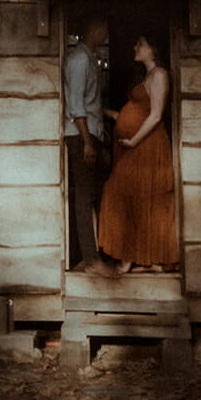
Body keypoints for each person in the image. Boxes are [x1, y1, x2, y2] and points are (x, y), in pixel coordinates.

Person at [98, 33, 178, 274]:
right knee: (137, 197)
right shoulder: (148, 76)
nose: (136, 47)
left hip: (147, 146)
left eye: (140, 43)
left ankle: (134, 259)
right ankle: (140, 259)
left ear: (152, 49)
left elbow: (155, 115)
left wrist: (133, 140)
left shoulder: (160, 74)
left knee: (125, 192)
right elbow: (136, 112)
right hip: (138, 146)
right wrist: (105, 112)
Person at [63, 15, 115, 276]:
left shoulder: (89, 57)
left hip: (90, 134)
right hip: (80, 136)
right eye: (104, 25)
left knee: (94, 194)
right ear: (93, 27)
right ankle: (92, 262)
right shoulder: (80, 60)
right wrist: (86, 142)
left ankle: (97, 256)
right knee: (84, 197)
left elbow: (90, 104)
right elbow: (76, 107)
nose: (106, 30)